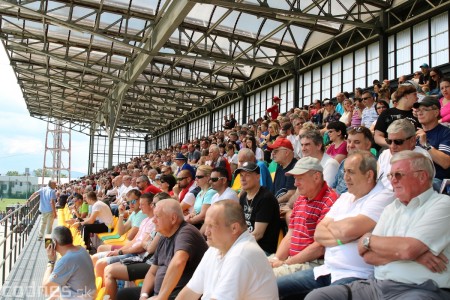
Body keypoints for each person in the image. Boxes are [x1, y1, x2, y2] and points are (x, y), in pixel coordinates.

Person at [305, 151, 450, 300]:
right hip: (379, 286)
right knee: (317, 297)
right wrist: (371, 241)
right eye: (390, 175)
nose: (393, 181)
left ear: (422, 176)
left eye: (398, 175)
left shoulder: (442, 204)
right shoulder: (392, 208)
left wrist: (370, 240)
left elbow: (408, 249)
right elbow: (367, 255)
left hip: (421, 288)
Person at [277, 151, 394, 299]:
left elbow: (348, 230)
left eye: (351, 172)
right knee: (272, 287)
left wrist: (339, 231)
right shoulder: (345, 197)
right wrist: (344, 236)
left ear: (369, 175)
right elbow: (319, 234)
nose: (345, 177)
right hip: (326, 270)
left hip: (357, 275)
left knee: (316, 298)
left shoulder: (382, 197)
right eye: (344, 171)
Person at [176, 200, 279, 300]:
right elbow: (190, 292)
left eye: (211, 226)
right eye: (206, 225)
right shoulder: (214, 249)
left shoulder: (241, 255)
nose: (206, 232)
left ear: (234, 228)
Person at [116, 199, 208, 300]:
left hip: (176, 295)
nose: (153, 220)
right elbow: (152, 272)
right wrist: (144, 295)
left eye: (157, 216)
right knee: (123, 294)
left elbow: (178, 262)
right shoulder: (164, 235)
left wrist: (160, 297)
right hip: (157, 293)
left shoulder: (186, 232)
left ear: (173, 219)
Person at [269, 157, 338, 277]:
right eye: (295, 179)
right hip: (293, 260)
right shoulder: (301, 198)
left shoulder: (330, 201)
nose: (295, 183)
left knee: (264, 278)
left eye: (299, 178)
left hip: (313, 264)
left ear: (316, 177)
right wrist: (276, 259)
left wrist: (285, 263)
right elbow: (290, 235)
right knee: (254, 267)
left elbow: (319, 247)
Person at [237, 162, 280, 254]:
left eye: (247, 175)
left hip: (262, 249)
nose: (243, 179)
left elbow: (258, 234)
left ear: (258, 177)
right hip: (247, 245)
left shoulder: (266, 198)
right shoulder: (243, 196)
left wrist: (236, 245)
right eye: (241, 175)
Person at [42, 226, 96, 299]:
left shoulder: (66, 261)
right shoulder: (81, 249)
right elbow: (63, 283)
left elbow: (45, 289)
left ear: (54, 242)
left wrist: (51, 262)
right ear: (71, 238)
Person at [378, 119, 431, 190]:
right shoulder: (385, 154)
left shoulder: (421, 157)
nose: (393, 146)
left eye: (398, 141)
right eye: (389, 141)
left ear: (412, 140)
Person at [414, 96, 450, 190]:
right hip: (415, 178)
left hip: (436, 180)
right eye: (418, 110)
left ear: (436, 112)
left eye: (425, 109)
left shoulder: (446, 133)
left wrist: (425, 145)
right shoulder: (414, 134)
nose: (420, 113)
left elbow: (445, 162)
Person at [331, 126, 374, 195]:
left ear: (368, 145)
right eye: (349, 141)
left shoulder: (373, 166)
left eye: (357, 142)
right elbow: (334, 187)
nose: (351, 145)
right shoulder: (344, 162)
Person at [185, 165, 217, 231]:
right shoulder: (200, 192)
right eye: (195, 177)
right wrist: (189, 216)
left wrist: (187, 221)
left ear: (208, 178)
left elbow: (203, 216)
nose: (196, 179)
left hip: (204, 227)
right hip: (196, 225)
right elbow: (194, 212)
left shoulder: (210, 192)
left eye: (199, 177)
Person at [268, 138, 297, 204]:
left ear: (286, 152)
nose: (273, 154)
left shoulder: (295, 167)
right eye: (273, 151)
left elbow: (291, 193)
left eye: (276, 151)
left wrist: (273, 203)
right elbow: (273, 192)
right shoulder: (279, 169)